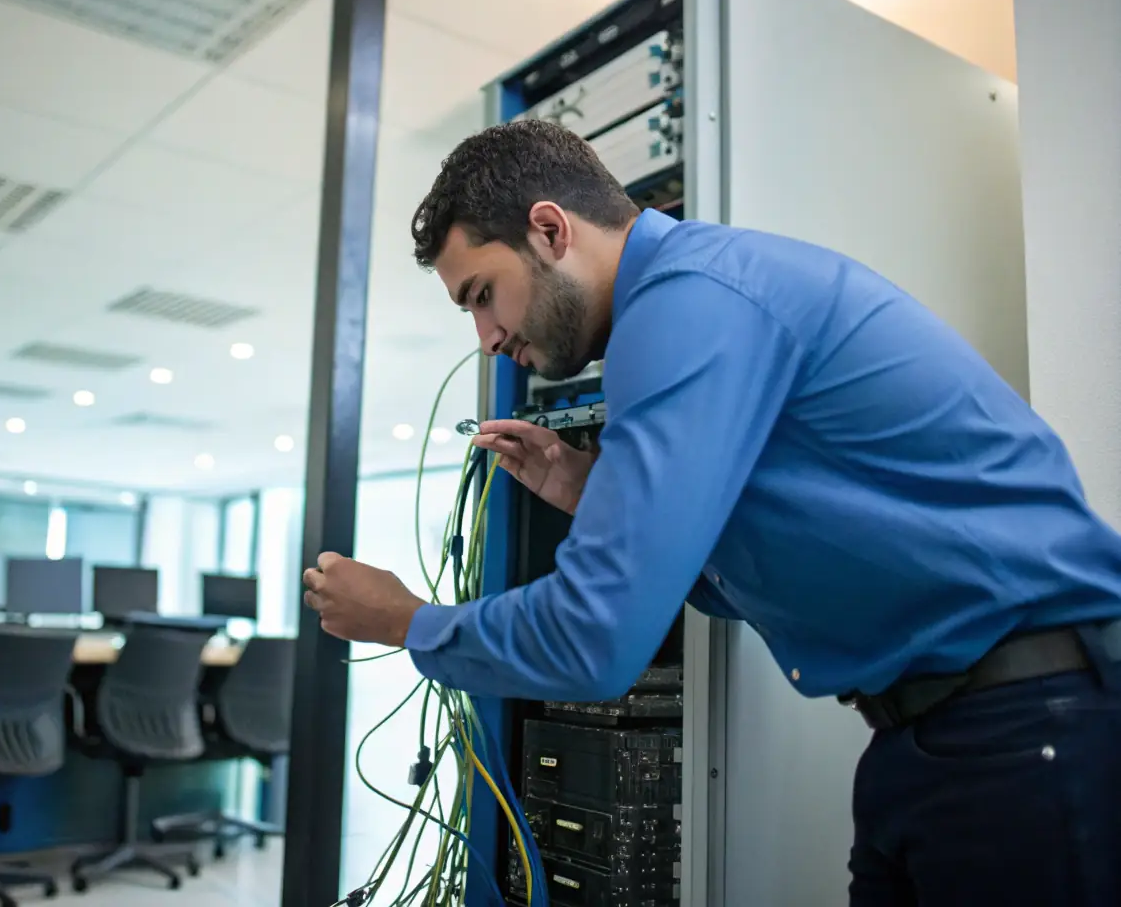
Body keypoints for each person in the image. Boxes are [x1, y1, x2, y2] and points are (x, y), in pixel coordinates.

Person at [300, 119, 1121, 905]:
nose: (486, 336)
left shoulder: (685, 304)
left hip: (1024, 725)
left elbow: (594, 640)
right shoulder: (693, 299)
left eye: (482, 294)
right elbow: (775, 568)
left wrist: (407, 622)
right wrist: (595, 495)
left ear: (550, 231)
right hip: (930, 735)